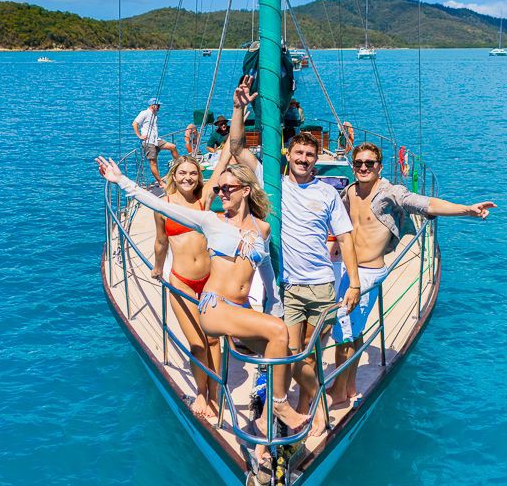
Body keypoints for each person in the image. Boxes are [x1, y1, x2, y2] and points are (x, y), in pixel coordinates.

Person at [96, 156, 309, 440]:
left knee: (288, 355)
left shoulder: (262, 228)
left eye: (228, 189)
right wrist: (120, 180)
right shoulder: (210, 220)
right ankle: (279, 406)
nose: (221, 194)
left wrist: (275, 308)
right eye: (219, 189)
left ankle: (299, 407)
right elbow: (158, 204)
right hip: (214, 306)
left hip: (240, 308)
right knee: (278, 332)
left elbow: (268, 278)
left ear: (245, 190)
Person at [230, 76, 361, 437]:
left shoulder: (327, 194)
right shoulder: (271, 183)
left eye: (310, 155)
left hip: (321, 285)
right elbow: (237, 146)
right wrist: (239, 107)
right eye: (299, 153)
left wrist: (354, 282)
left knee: (309, 350)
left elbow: (346, 238)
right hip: (287, 288)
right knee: (290, 350)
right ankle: (307, 403)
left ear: (316, 159)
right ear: (288, 154)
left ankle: (304, 406)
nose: (304, 159)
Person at [328, 142, 496, 406]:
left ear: (379, 167)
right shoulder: (349, 191)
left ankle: (339, 391)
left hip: (368, 272)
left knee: (343, 333)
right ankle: (347, 386)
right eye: (358, 163)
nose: (363, 167)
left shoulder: (389, 193)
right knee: (354, 330)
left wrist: (467, 209)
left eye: (369, 163)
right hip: (351, 269)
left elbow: (423, 203)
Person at [150, 152, 233, 418]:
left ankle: (216, 392)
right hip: (182, 282)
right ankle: (201, 391)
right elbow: (161, 241)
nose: (188, 177)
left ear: (199, 177)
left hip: (210, 282)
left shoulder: (204, 199)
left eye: (193, 173)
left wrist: (237, 111)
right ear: (174, 175)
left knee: (213, 340)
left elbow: (223, 161)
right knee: (197, 343)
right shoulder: (163, 205)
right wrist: (157, 268)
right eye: (183, 173)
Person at [133, 98, 178, 187]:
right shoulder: (144, 113)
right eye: (158, 105)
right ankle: (160, 182)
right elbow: (134, 123)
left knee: (172, 147)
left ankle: (180, 164)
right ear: (152, 105)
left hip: (156, 140)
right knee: (153, 162)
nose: (159, 107)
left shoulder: (154, 114)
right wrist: (139, 136)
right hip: (148, 142)